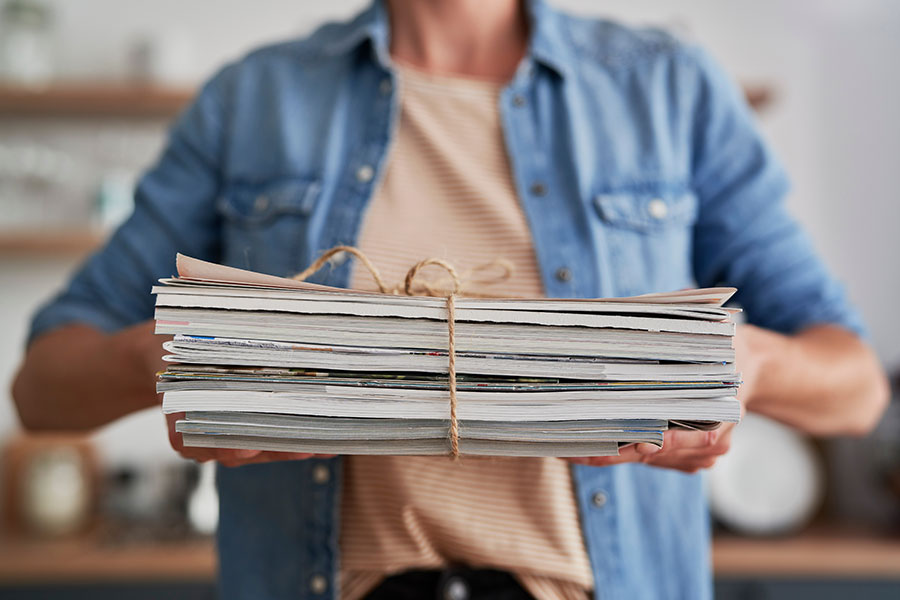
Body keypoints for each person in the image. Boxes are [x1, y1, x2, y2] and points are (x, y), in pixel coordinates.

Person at [12, 1, 888, 599]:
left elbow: (855, 387)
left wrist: (742, 364)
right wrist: (192, 359)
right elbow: (42, 386)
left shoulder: (667, 91)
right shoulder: (254, 99)